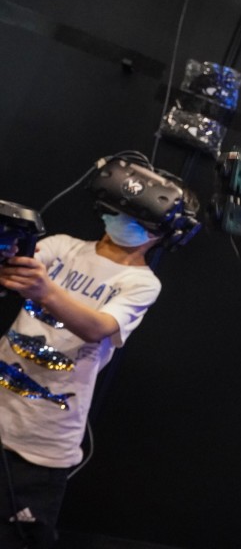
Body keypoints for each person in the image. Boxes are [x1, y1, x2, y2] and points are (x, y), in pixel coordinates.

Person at [0, 159, 199, 549]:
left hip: (43, 444)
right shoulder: (62, 247)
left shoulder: (141, 283)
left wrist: (44, 292)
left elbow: (99, 327)